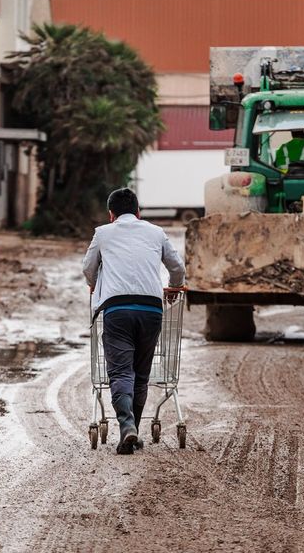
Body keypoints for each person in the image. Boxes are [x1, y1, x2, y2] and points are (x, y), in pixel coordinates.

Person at [82, 188, 186, 455]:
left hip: (117, 310)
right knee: (140, 376)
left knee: (120, 373)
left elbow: (88, 268)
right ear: (138, 212)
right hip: (152, 310)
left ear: (111, 214)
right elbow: (178, 268)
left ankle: (127, 427)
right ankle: (132, 431)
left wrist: (94, 285)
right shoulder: (155, 232)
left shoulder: (103, 233)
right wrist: (173, 289)